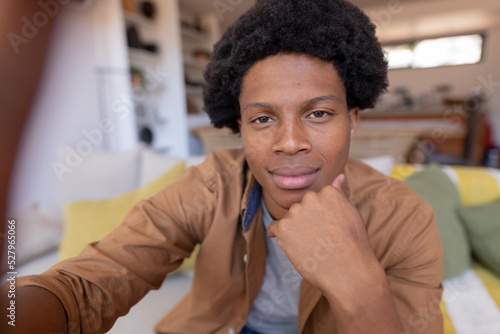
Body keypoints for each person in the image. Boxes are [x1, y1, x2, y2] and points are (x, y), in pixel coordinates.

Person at [1, 0, 444, 333]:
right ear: (240, 127)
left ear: (353, 120)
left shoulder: (404, 217)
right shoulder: (211, 186)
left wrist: (358, 282)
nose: (289, 143)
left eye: (319, 113)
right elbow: (90, 283)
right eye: (263, 118)